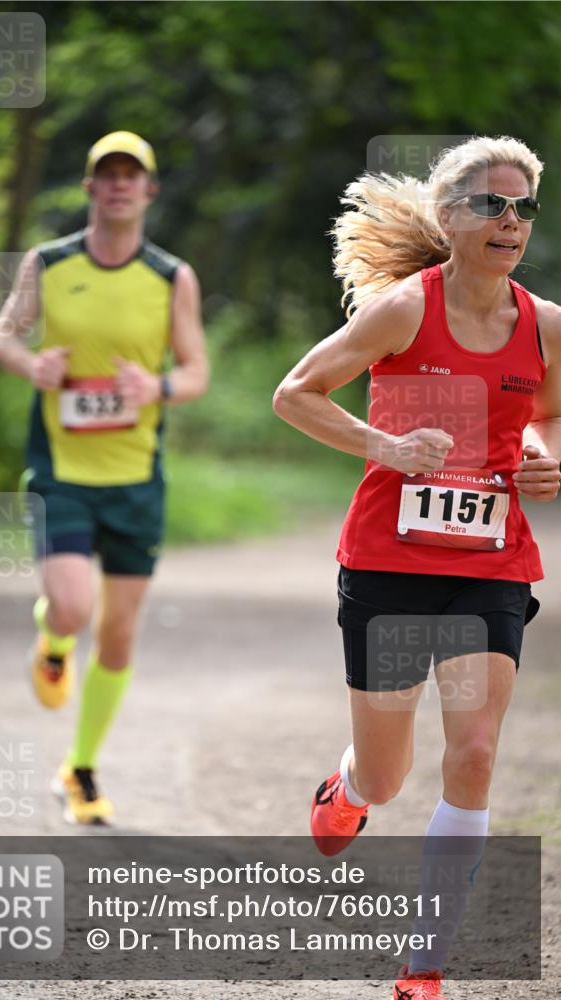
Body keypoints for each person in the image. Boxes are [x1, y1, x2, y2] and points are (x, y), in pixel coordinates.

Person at [273, 136, 560, 999]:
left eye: (522, 207)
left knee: (472, 751)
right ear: (449, 215)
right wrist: (386, 446)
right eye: (490, 205)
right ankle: (349, 788)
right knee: (388, 774)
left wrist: (543, 453)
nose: (510, 222)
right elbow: (295, 394)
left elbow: (548, 414)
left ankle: (423, 962)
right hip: (388, 564)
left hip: (489, 564)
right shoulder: (402, 310)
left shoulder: (545, 325)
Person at [0, 131, 209, 824]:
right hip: (62, 471)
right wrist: (32, 366)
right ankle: (53, 638)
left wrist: (156, 387)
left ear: (149, 190)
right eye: (106, 174)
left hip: (136, 479)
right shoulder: (49, 263)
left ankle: (79, 769)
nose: (118, 185)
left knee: (117, 635)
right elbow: (2, 335)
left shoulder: (172, 277)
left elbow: (196, 372)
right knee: (72, 608)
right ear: (89, 187)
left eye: (130, 175)